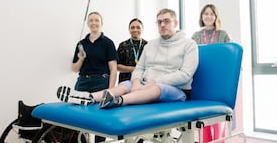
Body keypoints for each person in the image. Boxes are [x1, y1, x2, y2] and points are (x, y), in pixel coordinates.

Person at [57, 8, 198, 110]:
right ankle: (89, 98)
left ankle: (118, 101)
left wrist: (155, 81)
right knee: (125, 85)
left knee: (156, 88)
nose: (162, 25)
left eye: (166, 21)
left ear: (176, 23)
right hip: (145, 85)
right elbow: (140, 68)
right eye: (159, 22)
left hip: (175, 89)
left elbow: (185, 75)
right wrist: (136, 82)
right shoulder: (151, 45)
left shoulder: (189, 44)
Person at [58, 11, 117, 142]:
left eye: (97, 20)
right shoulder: (81, 43)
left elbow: (113, 69)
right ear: (87, 23)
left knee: (98, 119)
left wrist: (111, 90)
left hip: (101, 82)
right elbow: (74, 69)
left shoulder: (108, 43)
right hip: (83, 82)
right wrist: (80, 59)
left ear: (102, 23)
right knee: (77, 117)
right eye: (91, 20)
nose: (94, 23)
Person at [191, 4, 231, 143]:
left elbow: (228, 57)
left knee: (218, 117)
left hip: (219, 80)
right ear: (202, 16)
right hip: (202, 79)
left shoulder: (223, 34)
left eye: (211, 14)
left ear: (216, 17)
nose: (208, 16)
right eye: (206, 14)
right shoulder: (195, 36)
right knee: (205, 117)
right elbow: (192, 58)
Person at [117, 18, 148, 83]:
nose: (135, 30)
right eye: (132, 27)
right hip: (125, 81)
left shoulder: (148, 45)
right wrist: (135, 69)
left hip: (143, 81)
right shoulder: (123, 45)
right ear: (129, 30)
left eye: (138, 27)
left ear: (142, 29)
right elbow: (117, 66)